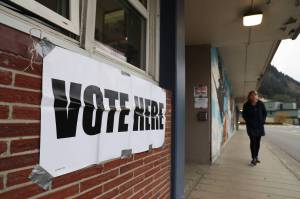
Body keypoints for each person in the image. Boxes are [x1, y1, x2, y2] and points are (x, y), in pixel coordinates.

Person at [242, 90, 267, 166]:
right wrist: (248, 122)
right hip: (251, 127)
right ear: (249, 96)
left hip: (259, 126)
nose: (254, 96)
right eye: (252, 95)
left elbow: (265, 113)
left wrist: (262, 121)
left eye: (255, 95)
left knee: (258, 142)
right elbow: (244, 115)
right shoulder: (246, 105)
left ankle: (256, 156)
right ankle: (253, 158)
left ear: (257, 96)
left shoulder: (261, 104)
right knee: (253, 141)